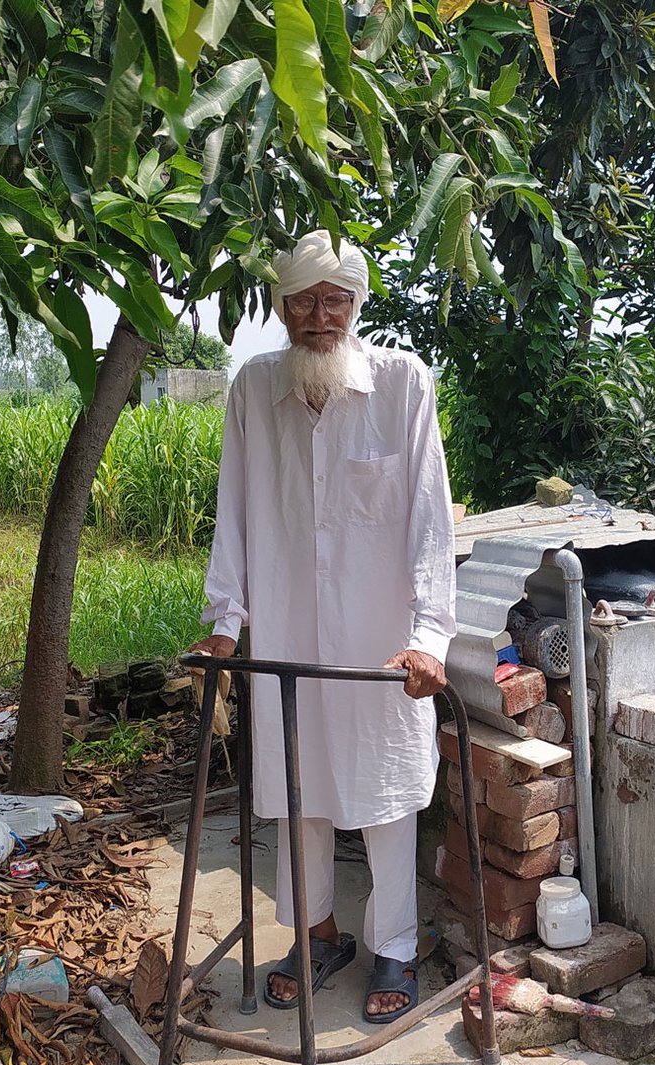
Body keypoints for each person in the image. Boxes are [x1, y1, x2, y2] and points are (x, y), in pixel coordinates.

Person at [188, 230, 456, 1024]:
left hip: (380, 642)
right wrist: (226, 623)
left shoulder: (403, 385)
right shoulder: (253, 388)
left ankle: (397, 950)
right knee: (295, 791)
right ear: (282, 307)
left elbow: (429, 522)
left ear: (357, 305)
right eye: (304, 299)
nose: (320, 315)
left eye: (336, 299)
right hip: (288, 638)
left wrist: (430, 638)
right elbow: (232, 513)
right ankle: (317, 937)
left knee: (385, 796)